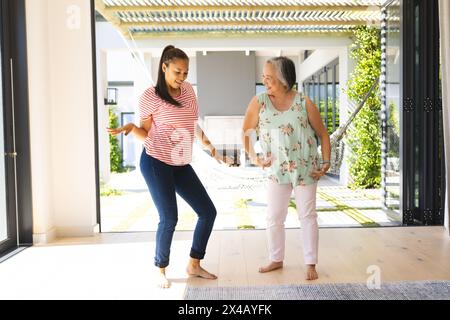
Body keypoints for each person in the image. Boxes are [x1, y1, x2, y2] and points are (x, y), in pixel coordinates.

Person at [108, 45, 232, 288]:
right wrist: (131, 128)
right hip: (155, 161)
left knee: (208, 212)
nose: (182, 77)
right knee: (169, 217)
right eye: (177, 72)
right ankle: (160, 268)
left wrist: (213, 149)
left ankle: (194, 264)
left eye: (186, 73)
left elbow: (192, 126)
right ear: (164, 67)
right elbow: (146, 132)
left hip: (180, 162)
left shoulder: (188, 92)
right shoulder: (150, 97)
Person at [242, 56, 331, 280]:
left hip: (305, 168)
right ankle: (276, 259)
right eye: (263, 77)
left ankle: (310, 263)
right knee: (274, 216)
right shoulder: (259, 102)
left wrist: (326, 162)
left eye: (269, 77)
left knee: (307, 215)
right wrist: (255, 158)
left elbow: (323, 134)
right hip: (276, 169)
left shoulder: (303, 102)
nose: (264, 81)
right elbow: (246, 133)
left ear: (283, 79)